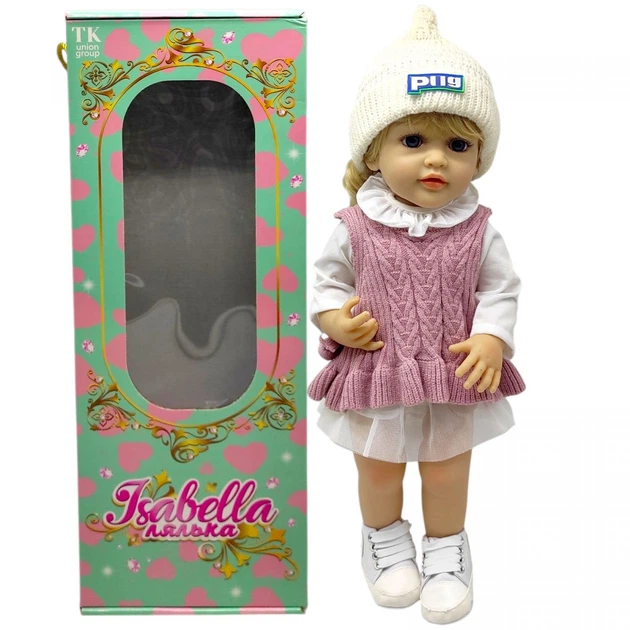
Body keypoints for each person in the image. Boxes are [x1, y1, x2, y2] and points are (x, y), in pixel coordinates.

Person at [307, 6, 525, 624]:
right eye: (413, 141)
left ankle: (447, 551)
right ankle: (384, 539)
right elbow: (326, 281)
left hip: (451, 377)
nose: (436, 160)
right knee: (379, 469)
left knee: (447, 471)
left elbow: (500, 288)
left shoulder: (478, 228)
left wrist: (491, 336)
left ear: (478, 157)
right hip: (377, 370)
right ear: (374, 152)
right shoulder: (355, 225)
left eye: (457, 145)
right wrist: (334, 319)